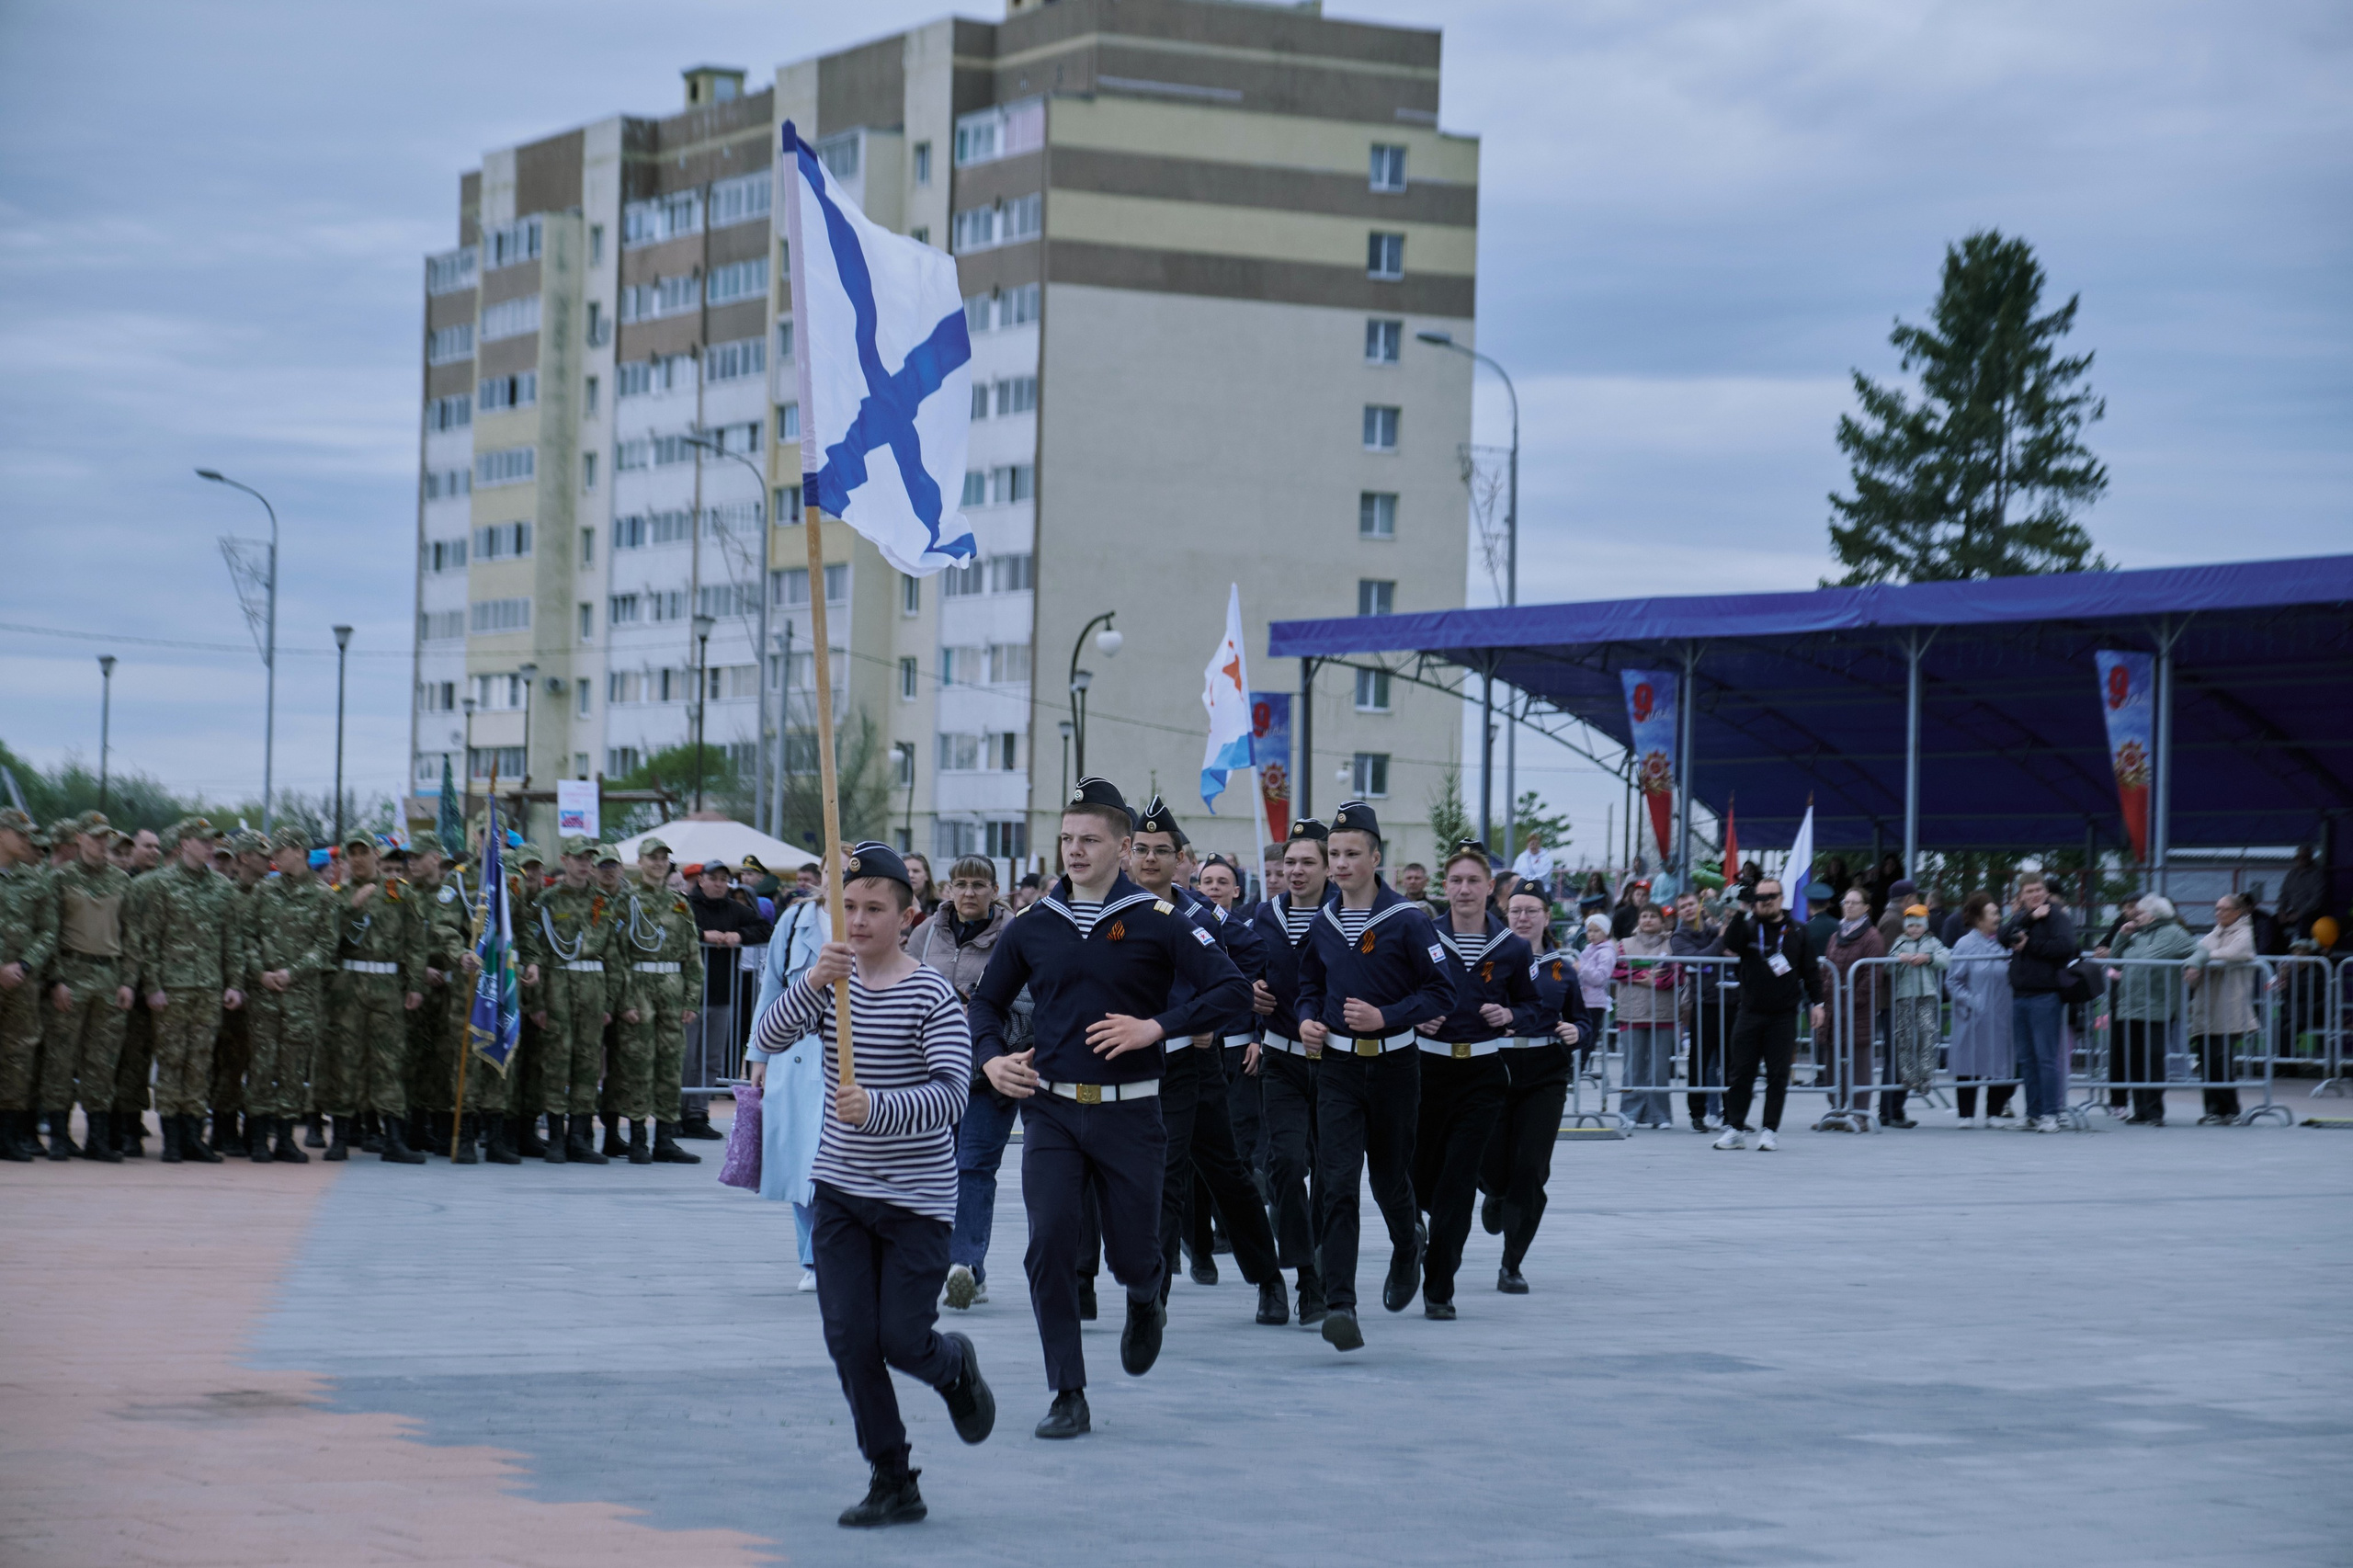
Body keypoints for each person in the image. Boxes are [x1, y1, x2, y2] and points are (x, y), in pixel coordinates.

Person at [967, 778, 1250, 1438]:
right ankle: (1068, 1391)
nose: (1074, 850)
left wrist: (1160, 1027)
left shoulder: (1160, 923)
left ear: (1123, 848)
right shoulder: (1034, 924)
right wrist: (990, 1059)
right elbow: (986, 1002)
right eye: (1066, 839)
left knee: (1133, 1254)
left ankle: (1147, 1297)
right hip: (1053, 1113)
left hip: (1132, 1114)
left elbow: (1233, 990)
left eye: (1088, 839)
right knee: (1049, 1249)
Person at [747, 840, 995, 1528]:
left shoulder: (931, 994)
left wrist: (877, 1108)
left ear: (907, 915)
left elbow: (952, 1096)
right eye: (847, 907)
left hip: (915, 1201)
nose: (856, 922)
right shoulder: (833, 980)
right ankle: (893, 1476)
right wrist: (810, 984)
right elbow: (767, 1037)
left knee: (900, 1339)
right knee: (850, 1340)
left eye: (873, 910)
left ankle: (952, 1368)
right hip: (841, 1192)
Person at [1295, 800, 1455, 1352]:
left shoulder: (1409, 921)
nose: (1339, 864)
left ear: (1375, 857)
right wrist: (1307, 1020)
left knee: (1389, 1180)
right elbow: (1309, 985)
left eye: (1350, 854)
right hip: (1337, 1067)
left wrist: (1388, 1016)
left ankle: (1408, 1245)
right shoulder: (1323, 921)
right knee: (1336, 1182)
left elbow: (1443, 992)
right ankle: (1341, 1304)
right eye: (1333, 854)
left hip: (1394, 1067)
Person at [1127, 797, 1286, 1325]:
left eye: (1162, 851)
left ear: (1180, 860)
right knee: (1149, 1177)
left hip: (1192, 1063)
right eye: (1143, 850)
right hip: (1127, 1063)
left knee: (1221, 1175)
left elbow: (1251, 955)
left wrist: (1205, 1017)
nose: (1151, 860)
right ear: (1127, 854)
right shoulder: (1112, 906)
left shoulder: (1200, 910)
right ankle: (1146, 1296)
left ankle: (1267, 1280)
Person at [1411, 842, 1540, 1319]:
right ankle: (1412, 1233)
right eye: (1456, 881)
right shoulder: (1421, 935)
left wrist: (1510, 1012)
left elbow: (1532, 1006)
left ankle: (1439, 1287)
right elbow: (1397, 993)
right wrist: (1412, 1017)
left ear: (1491, 889)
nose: (1464, 890)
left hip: (1482, 1073)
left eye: (1474, 882)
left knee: (1459, 1184)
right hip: (1425, 1070)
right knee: (1417, 1177)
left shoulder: (1512, 947)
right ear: (1445, 888)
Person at [914, 855, 1024, 1311]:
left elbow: (1032, 1003)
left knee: (974, 1168)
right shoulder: (924, 935)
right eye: (960, 884)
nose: (969, 893)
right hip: (934, 1077)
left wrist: (982, 1017)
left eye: (979, 885)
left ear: (995, 890)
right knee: (936, 1171)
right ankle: (967, 1271)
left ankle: (961, 1265)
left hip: (991, 1074)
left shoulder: (1017, 935)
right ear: (947, 889)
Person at [1480, 883, 1589, 1291]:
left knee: (1531, 1168)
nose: (1523, 918)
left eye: (1532, 911)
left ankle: (1512, 1263)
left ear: (1547, 916)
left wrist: (1577, 1031)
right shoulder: (1490, 960)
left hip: (1545, 1071)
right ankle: (1494, 1192)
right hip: (1495, 1065)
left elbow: (1583, 1020)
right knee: (1491, 1164)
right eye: (1516, 911)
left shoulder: (1563, 969)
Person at [1247, 817, 1334, 1325]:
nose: (1295, 871)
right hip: (1280, 1056)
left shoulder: (1346, 917)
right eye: (1289, 863)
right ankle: (1299, 1275)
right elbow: (1245, 968)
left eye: (1307, 863)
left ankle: (1317, 1274)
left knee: (1330, 1174)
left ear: (1328, 867)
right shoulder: (1263, 915)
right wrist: (1251, 991)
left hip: (1335, 1063)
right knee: (1283, 1165)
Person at [129, 819, 247, 1165]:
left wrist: (234, 984)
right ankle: (173, 1138)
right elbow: (148, 941)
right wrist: (151, 986)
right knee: (171, 1061)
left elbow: (232, 942)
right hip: (172, 989)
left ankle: (194, 1136)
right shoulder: (159, 886)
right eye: (203, 841)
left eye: (213, 841)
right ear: (184, 844)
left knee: (200, 1064)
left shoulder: (222, 888)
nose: (211, 847)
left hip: (208, 988)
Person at [752, 850, 834, 1290]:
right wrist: (758, 1055)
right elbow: (771, 987)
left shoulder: (865, 920)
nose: (834, 879)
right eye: (829, 871)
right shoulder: (795, 921)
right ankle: (812, 1258)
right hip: (796, 1050)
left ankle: (832, 1252)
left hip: (851, 1053)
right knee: (802, 1157)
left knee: (833, 1157)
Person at [30, 817, 131, 1161]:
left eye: (107, 838)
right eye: (96, 837)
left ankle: (97, 1139)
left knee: (102, 1061)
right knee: (61, 1057)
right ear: (80, 839)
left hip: (108, 975)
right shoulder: (60, 879)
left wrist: (128, 981)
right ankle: (59, 1136)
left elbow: (132, 936)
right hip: (71, 974)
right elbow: (49, 932)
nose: (102, 844)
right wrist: (56, 979)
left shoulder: (121, 880)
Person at [241, 827, 338, 1163]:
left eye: (279, 852)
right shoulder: (263, 891)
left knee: (294, 1069)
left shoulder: (324, 896)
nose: (273, 858)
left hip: (300, 995)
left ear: (298, 851)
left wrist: (292, 972)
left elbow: (326, 946)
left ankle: (285, 1139)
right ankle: (256, 1139)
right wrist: (260, 972)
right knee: (262, 1066)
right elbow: (248, 936)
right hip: (265, 994)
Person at [520, 836, 618, 1165]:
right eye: (578, 858)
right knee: (556, 1062)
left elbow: (613, 956)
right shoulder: (547, 901)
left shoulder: (602, 901)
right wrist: (536, 1003)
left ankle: (579, 1137)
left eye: (589, 858)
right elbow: (535, 952)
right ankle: (557, 1139)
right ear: (564, 859)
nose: (584, 864)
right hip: (557, 985)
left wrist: (610, 1002)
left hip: (592, 986)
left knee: (588, 1063)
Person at [1712, 879, 1825, 1152]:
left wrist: (1818, 1003)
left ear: (1781, 898)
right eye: (1760, 897)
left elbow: (1811, 970)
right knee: (1740, 1073)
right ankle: (1735, 1128)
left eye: (1771, 896)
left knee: (1777, 1075)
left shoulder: (1798, 930)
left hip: (1784, 1015)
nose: (1765, 901)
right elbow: (1730, 944)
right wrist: (1740, 909)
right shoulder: (1749, 926)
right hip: (1750, 1011)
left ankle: (1770, 1130)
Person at [613, 837, 705, 1165]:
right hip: (639, 988)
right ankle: (638, 1138)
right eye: (652, 858)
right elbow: (618, 955)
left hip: (672, 990)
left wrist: (691, 1000)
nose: (658, 863)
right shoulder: (627, 902)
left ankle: (665, 1138)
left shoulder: (680, 904)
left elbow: (693, 956)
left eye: (663, 858)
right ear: (640, 861)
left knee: (670, 1066)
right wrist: (625, 1000)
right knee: (639, 1065)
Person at [687, 859, 772, 1136]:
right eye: (713, 879)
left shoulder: (734, 909)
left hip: (723, 995)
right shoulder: (685, 906)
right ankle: (675, 1112)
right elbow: (670, 932)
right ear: (701, 880)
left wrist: (739, 935)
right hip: (690, 996)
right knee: (686, 1057)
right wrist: (701, 935)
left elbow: (764, 928)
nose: (719, 884)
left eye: (724, 879)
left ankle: (698, 1114)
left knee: (712, 1058)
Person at [0, 808, 59, 1163]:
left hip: (21, 983)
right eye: (20, 834)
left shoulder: (35, 879)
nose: (27, 841)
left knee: (18, 1058)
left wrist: (23, 965)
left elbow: (48, 930)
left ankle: (8, 1137)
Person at [207, 830, 270, 1154]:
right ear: (244, 858)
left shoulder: (269, 895)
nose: (268, 859)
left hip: (262, 993)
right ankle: (223, 1128)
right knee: (229, 1062)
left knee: (254, 1062)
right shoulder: (227, 895)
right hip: (233, 992)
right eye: (261, 853)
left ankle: (248, 1127)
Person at [1998, 874, 2076, 1132]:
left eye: (2038, 889)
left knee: (2045, 1058)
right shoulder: (2022, 916)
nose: (2035, 894)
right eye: (2029, 891)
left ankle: (2050, 1113)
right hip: (2020, 996)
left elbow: (2066, 946)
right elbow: (2003, 935)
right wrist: (2029, 919)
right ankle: (2032, 1112)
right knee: (2027, 1059)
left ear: (2045, 891)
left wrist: (2030, 944)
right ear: (2021, 895)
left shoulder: (2057, 916)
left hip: (2045, 995)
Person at [2106, 894, 2193, 1125]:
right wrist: (2122, 936)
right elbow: (2115, 962)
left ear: (2153, 915)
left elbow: (2197, 949)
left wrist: (2196, 965)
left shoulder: (2174, 933)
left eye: (2141, 912)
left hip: (2156, 1007)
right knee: (2135, 1059)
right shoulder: (2136, 935)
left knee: (2152, 1059)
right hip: (2130, 1006)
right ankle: (2141, 1109)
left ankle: (2154, 1111)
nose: (2135, 915)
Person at [2186, 892, 2259, 1123]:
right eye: (2217, 909)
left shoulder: (2244, 933)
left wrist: (2203, 959)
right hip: (2206, 1007)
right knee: (2206, 1060)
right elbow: (2195, 952)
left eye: (2224, 909)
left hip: (2229, 1007)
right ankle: (2213, 1109)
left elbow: (2233, 954)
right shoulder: (2213, 934)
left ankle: (2231, 1110)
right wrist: (2199, 960)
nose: (2219, 913)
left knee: (2222, 1060)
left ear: (2237, 912)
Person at [1821, 888, 1886, 1121]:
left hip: (1857, 1010)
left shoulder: (1871, 937)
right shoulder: (1835, 935)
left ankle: (1860, 1112)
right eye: (1845, 901)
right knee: (1833, 1060)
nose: (1848, 906)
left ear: (1866, 908)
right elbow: (1826, 970)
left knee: (1859, 1061)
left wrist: (1852, 1000)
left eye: (1854, 902)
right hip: (1833, 1009)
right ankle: (1837, 1108)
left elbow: (1872, 976)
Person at [1611, 903, 1677, 1129]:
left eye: (1652, 916)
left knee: (1659, 1068)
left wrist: (1654, 981)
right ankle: (1630, 1113)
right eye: (1644, 916)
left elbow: (1676, 973)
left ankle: (1661, 1115)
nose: (1648, 920)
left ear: (1662, 920)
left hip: (1664, 1014)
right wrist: (1645, 976)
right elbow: (1618, 969)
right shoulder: (1624, 944)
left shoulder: (1671, 944)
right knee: (1633, 1066)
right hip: (1631, 1013)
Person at [1882, 905, 1948, 1128]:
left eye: (1918, 925)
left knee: (1928, 1034)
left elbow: (1945, 959)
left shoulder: (1932, 942)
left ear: (1925, 926)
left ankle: (1926, 1077)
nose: (1914, 930)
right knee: (1906, 1037)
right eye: (1910, 925)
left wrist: (1927, 958)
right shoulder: (1900, 942)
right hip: (1905, 997)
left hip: (1927, 996)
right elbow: (1887, 966)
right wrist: (1898, 959)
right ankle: (1909, 1076)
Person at [1668, 890, 1728, 1131]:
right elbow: (1698, 960)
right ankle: (1697, 1113)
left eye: (1691, 904)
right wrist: (1721, 941)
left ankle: (1733, 1113)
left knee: (1731, 1060)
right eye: (1683, 907)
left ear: (1700, 905)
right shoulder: (1679, 937)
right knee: (1700, 1061)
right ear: (1679, 912)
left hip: (1729, 1000)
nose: (1688, 909)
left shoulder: (1714, 930)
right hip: (1702, 1003)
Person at [2278, 846, 2326, 941]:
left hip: (2311, 913)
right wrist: (2281, 910)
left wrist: (2299, 914)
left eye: (2305, 857)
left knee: (2304, 923)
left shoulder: (2318, 874)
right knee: (2271, 922)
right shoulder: (2292, 874)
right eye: (2300, 857)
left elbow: (2317, 899)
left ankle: (2303, 952)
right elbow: (2284, 894)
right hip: (2293, 911)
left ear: (2310, 857)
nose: (2302, 859)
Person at [902, 852, 942, 927]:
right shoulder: (892, 903)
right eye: (906, 871)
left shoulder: (939, 908)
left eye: (916, 871)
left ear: (927, 876)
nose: (911, 875)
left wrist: (917, 913)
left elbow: (933, 937)